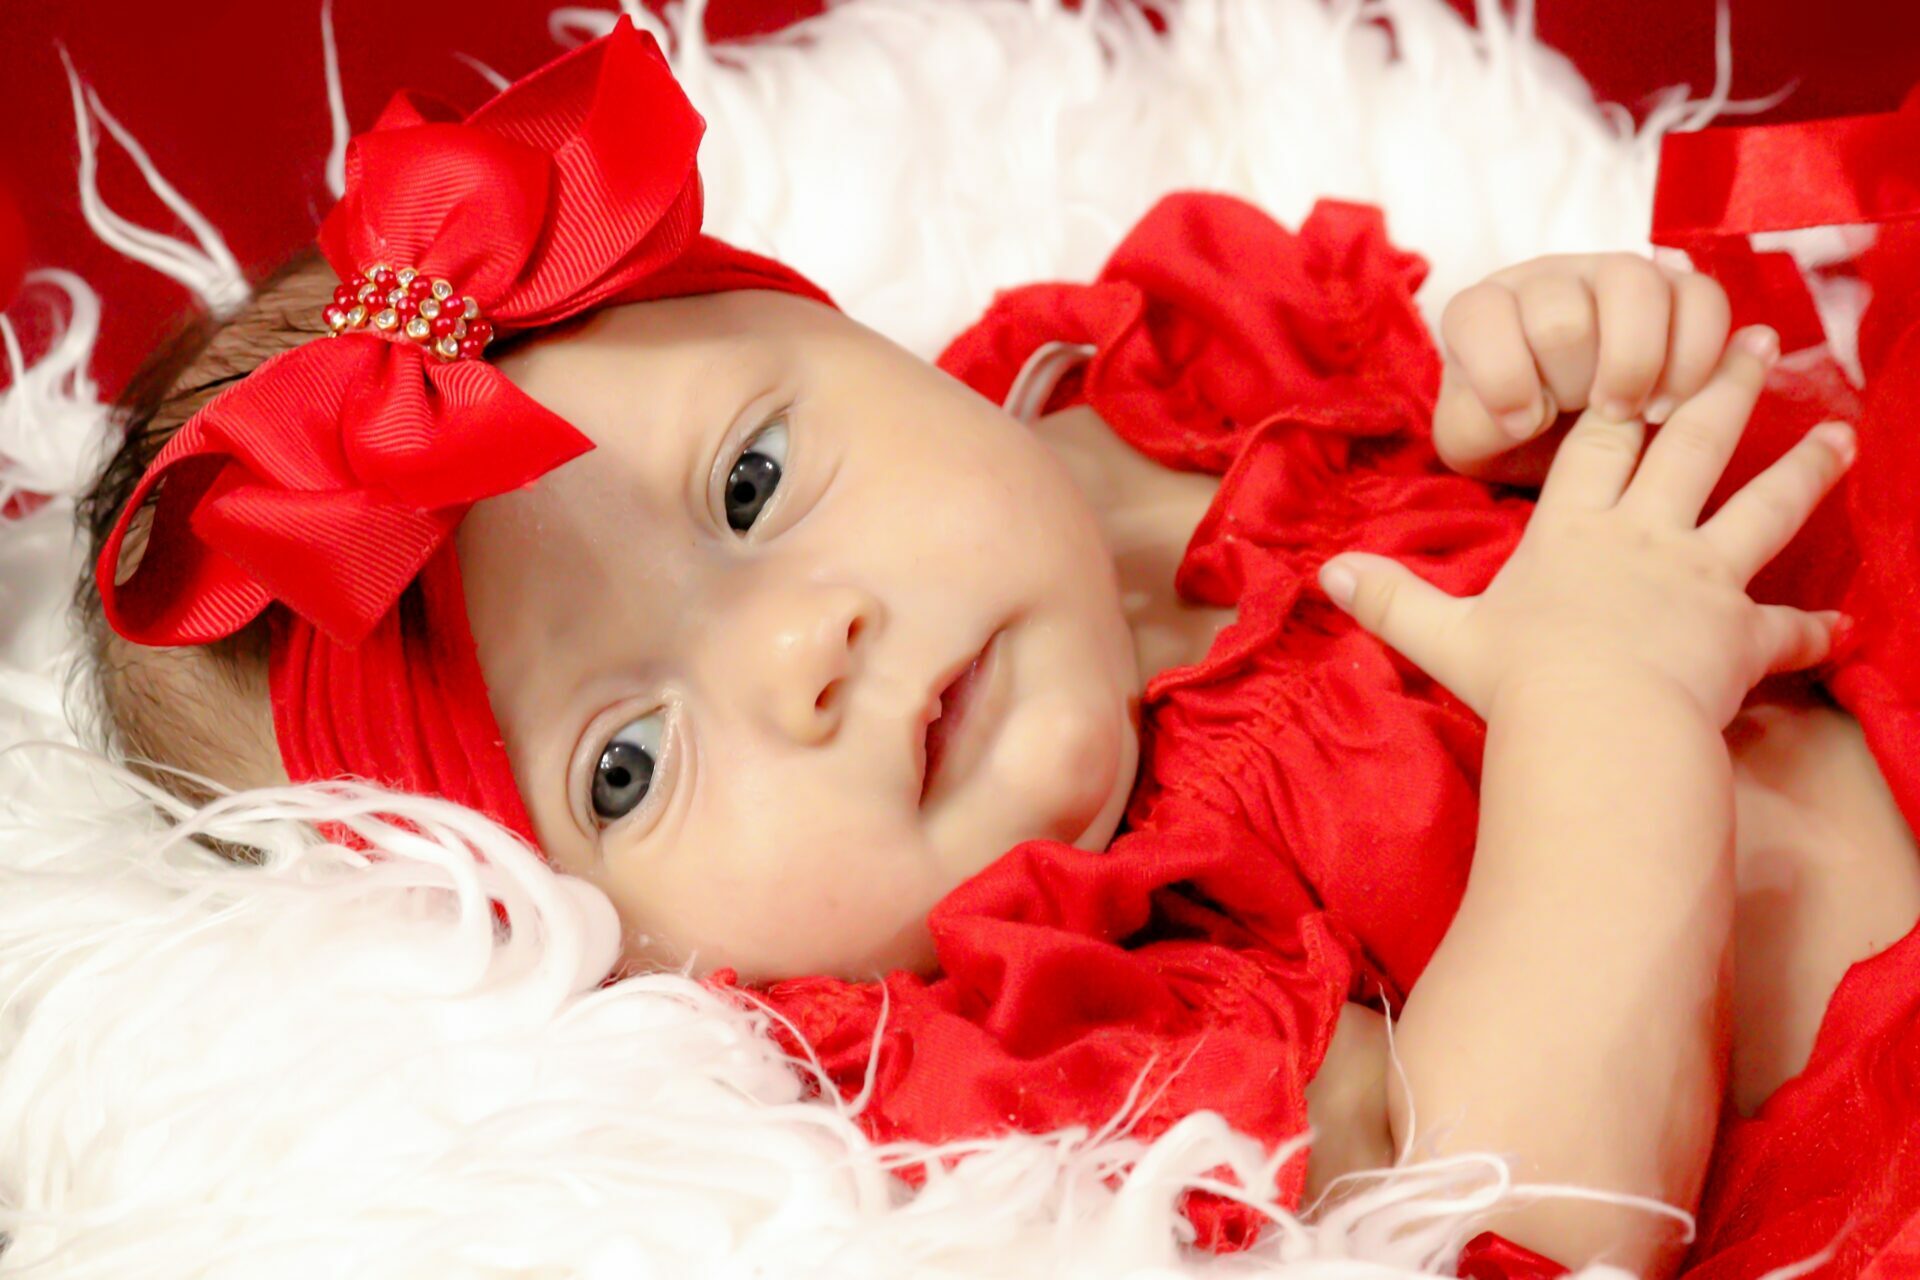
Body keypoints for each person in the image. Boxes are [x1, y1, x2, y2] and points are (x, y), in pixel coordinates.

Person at [72, 17, 1920, 1278]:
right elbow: (1526, 1207)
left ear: (855, 336)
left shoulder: (1150, 404)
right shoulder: (1066, 1020)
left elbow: (1580, 468)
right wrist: (1608, 706)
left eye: (753, 480)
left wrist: (1555, 381)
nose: (805, 651)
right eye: (623, 763)